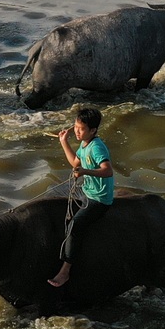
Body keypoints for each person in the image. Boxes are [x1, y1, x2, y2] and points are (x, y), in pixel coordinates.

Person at [48, 106, 114, 289]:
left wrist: (85, 171)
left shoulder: (97, 147)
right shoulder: (84, 144)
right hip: (87, 192)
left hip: (99, 198)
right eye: (76, 126)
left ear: (93, 130)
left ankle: (65, 272)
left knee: (75, 225)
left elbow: (107, 171)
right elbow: (75, 163)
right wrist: (64, 142)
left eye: (81, 128)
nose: (77, 131)